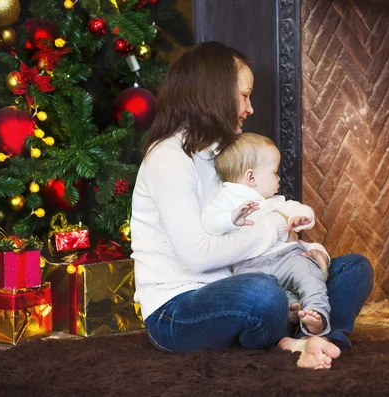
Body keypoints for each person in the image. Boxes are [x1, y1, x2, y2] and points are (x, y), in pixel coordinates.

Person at [130, 41, 374, 370]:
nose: (250, 108)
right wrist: (274, 226)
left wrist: (312, 252)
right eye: (244, 95)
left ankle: (315, 338)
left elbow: (266, 212)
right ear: (214, 93)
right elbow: (197, 255)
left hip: (242, 279)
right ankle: (300, 335)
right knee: (262, 294)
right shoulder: (169, 159)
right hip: (177, 309)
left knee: (354, 269)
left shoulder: (223, 155)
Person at [201, 132, 331, 336]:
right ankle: (292, 310)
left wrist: (301, 217)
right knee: (259, 290)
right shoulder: (226, 199)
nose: (279, 178)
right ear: (251, 177)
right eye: (274, 172)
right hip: (249, 268)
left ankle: (316, 312)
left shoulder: (273, 201)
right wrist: (230, 219)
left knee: (309, 272)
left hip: (287, 258)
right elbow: (208, 220)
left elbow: (294, 207)